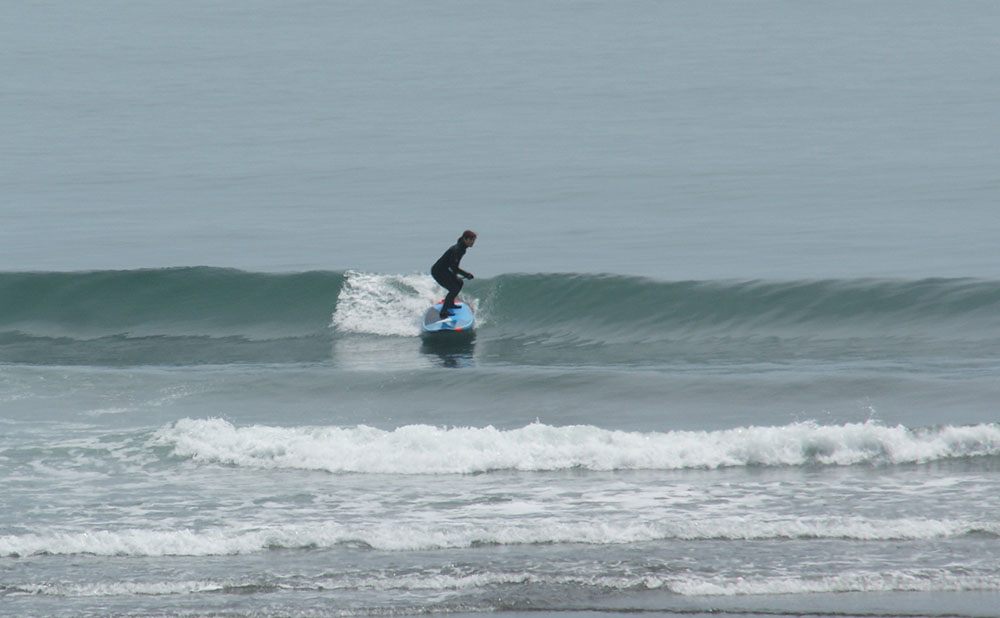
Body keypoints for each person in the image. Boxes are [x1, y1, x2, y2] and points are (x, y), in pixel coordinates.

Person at [431, 230, 477, 318]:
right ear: (465, 239)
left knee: (459, 283)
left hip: (444, 270)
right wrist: (466, 274)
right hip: (438, 271)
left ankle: (451, 304)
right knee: (453, 288)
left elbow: (455, 266)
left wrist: (457, 276)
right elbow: (453, 267)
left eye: (474, 240)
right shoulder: (457, 249)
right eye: (471, 240)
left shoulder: (462, 249)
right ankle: (443, 311)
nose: (473, 242)